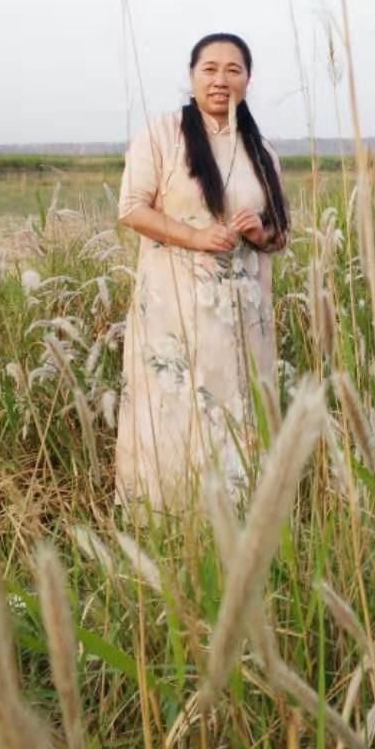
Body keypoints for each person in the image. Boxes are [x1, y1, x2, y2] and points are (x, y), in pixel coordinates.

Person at [113, 32, 291, 514]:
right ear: (192, 77)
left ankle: (238, 514)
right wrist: (195, 237)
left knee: (239, 406)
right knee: (176, 405)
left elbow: (281, 236)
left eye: (233, 70)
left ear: (247, 80)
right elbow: (130, 208)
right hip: (174, 315)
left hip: (242, 319)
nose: (220, 80)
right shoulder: (162, 134)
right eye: (209, 69)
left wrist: (258, 233)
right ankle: (168, 517)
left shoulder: (261, 150)